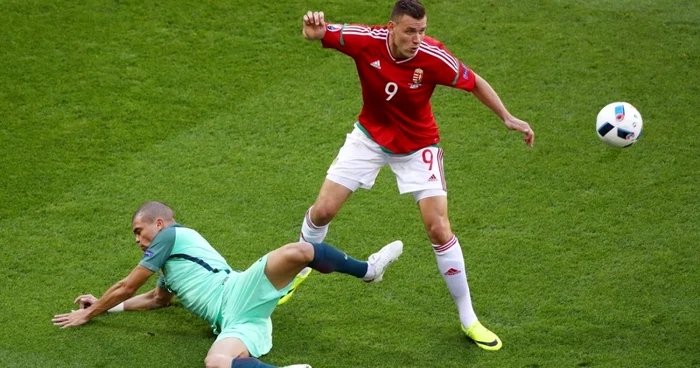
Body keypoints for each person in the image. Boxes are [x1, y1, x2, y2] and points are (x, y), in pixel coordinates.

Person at [282, 0, 535, 352]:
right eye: (410, 31)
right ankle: (301, 266)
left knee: (439, 228)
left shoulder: (433, 57)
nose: (417, 38)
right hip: (369, 138)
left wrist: (507, 117)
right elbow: (322, 31)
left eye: (422, 31)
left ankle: (469, 319)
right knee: (323, 210)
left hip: (418, 147)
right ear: (391, 28)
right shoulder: (365, 40)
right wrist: (313, 32)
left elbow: (475, 81)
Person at [52, 201, 403, 368]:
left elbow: (128, 285)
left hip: (238, 289)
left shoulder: (169, 236)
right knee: (216, 362)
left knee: (298, 251)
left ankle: (368, 270)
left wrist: (90, 315)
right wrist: (104, 305)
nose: (138, 240)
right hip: (236, 320)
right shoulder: (171, 265)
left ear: (158, 224)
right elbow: (157, 299)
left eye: (138, 232)